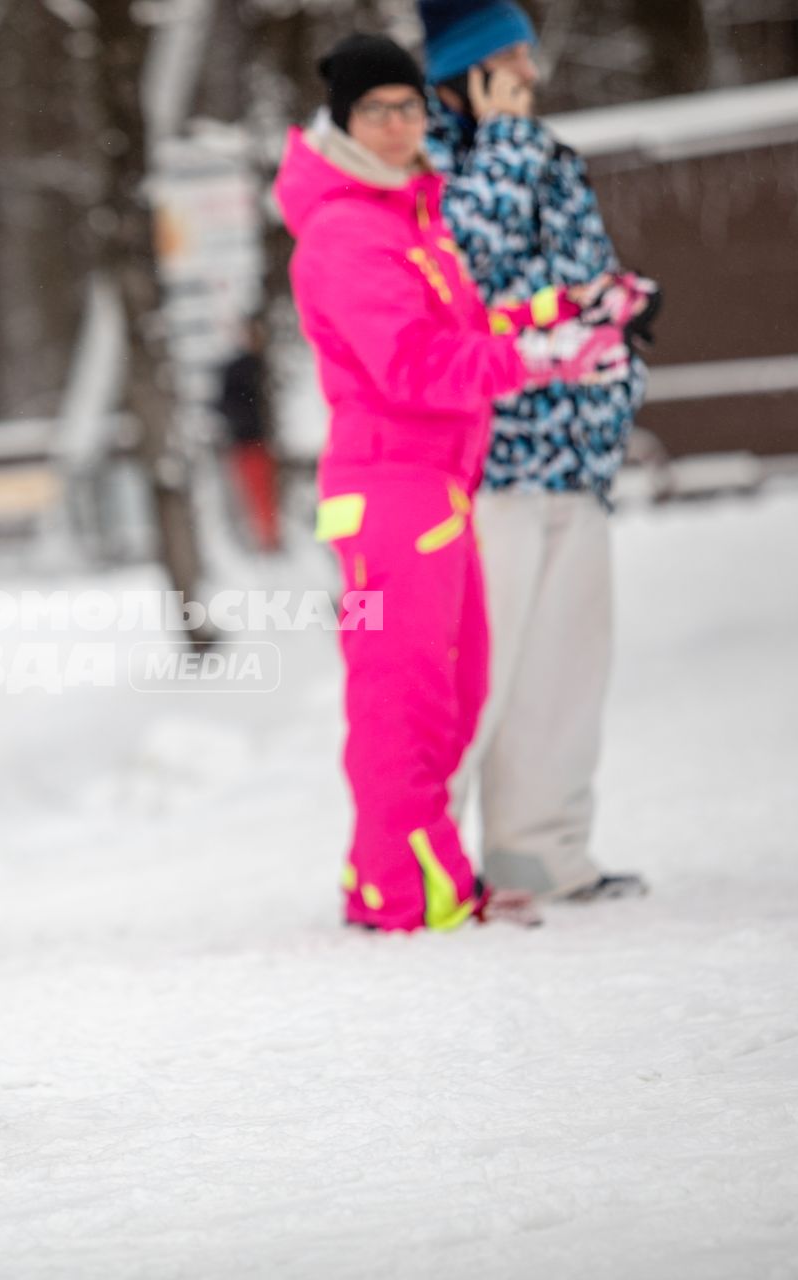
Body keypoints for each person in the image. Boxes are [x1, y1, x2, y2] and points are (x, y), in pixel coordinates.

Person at [273, 35, 630, 932]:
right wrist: (542, 358)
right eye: (375, 111)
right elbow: (414, 364)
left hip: (433, 490)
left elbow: (463, 321)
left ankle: (408, 880)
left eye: (407, 106)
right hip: (387, 498)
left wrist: (565, 311)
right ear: (343, 121)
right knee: (405, 699)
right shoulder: (345, 229)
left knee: (454, 691)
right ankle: (407, 897)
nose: (397, 126)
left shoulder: (405, 213)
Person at [418, 0, 655, 902]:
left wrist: (624, 321)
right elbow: (462, 269)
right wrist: (505, 140)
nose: (531, 71)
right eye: (511, 56)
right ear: (468, 66)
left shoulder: (549, 156)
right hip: (491, 468)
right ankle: (425, 873)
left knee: (564, 676)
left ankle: (542, 854)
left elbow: (577, 276)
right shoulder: (429, 160)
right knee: (473, 679)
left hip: (577, 456)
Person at [215, 315, 283, 553]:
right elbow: (224, 404)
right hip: (249, 441)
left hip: (261, 440)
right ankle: (264, 540)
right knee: (256, 494)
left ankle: (268, 538)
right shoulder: (239, 369)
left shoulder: (260, 364)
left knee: (266, 494)